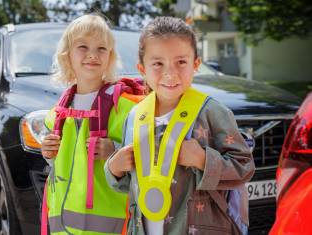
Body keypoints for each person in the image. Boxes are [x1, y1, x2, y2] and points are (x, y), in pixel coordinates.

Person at [105, 16, 255, 235]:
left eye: (181, 62)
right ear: (142, 69)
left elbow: (245, 168)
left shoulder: (212, 112)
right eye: (157, 63)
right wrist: (114, 169)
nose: (170, 73)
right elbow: (135, 185)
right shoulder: (135, 117)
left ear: (196, 64)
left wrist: (203, 160)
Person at [40, 14, 143, 235]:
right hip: (62, 225)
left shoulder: (124, 109)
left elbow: (144, 161)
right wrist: (48, 152)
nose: (93, 55)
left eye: (101, 49)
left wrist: (113, 152)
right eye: (83, 47)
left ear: (110, 57)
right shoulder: (57, 112)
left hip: (110, 225)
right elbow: (58, 162)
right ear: (67, 55)